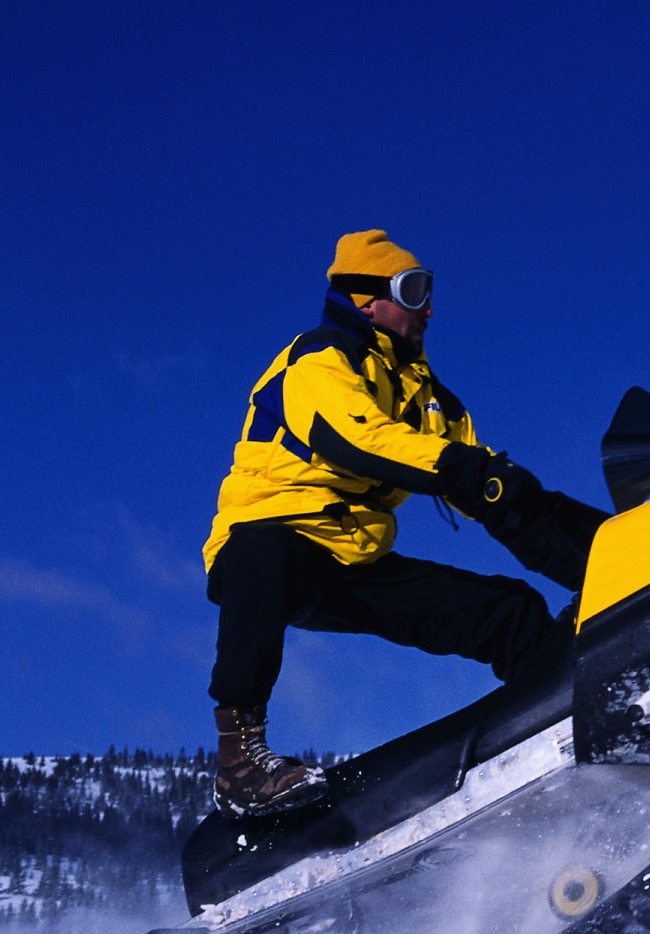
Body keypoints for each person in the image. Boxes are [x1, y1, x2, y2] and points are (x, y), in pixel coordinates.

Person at [201, 230, 605, 818]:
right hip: (275, 545)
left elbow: (492, 496)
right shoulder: (320, 359)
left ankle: (572, 718)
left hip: (352, 560)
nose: (428, 310)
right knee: (264, 553)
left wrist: (601, 568)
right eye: (412, 292)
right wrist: (461, 468)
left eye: (429, 291)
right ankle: (240, 763)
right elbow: (355, 438)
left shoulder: (427, 398)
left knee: (510, 612)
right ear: (366, 301)